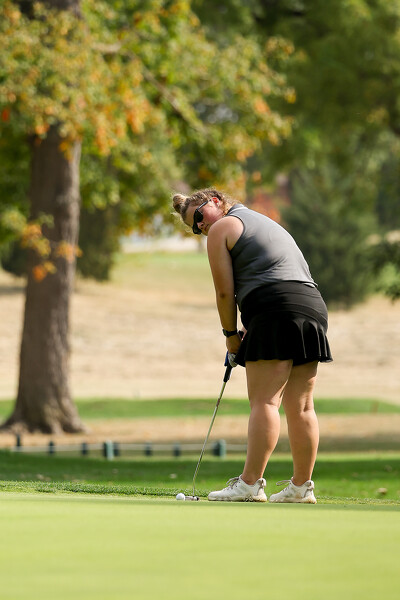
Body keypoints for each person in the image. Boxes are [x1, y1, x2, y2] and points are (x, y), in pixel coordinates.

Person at [172, 188, 332, 503]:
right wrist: (251, 325)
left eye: (199, 217)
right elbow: (275, 274)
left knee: (265, 402)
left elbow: (224, 292)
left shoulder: (222, 227)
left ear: (215, 201)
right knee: (302, 406)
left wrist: (231, 335)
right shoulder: (264, 222)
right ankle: (301, 488)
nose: (201, 227)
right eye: (194, 227)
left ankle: (249, 484)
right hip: (311, 306)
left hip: (274, 307)